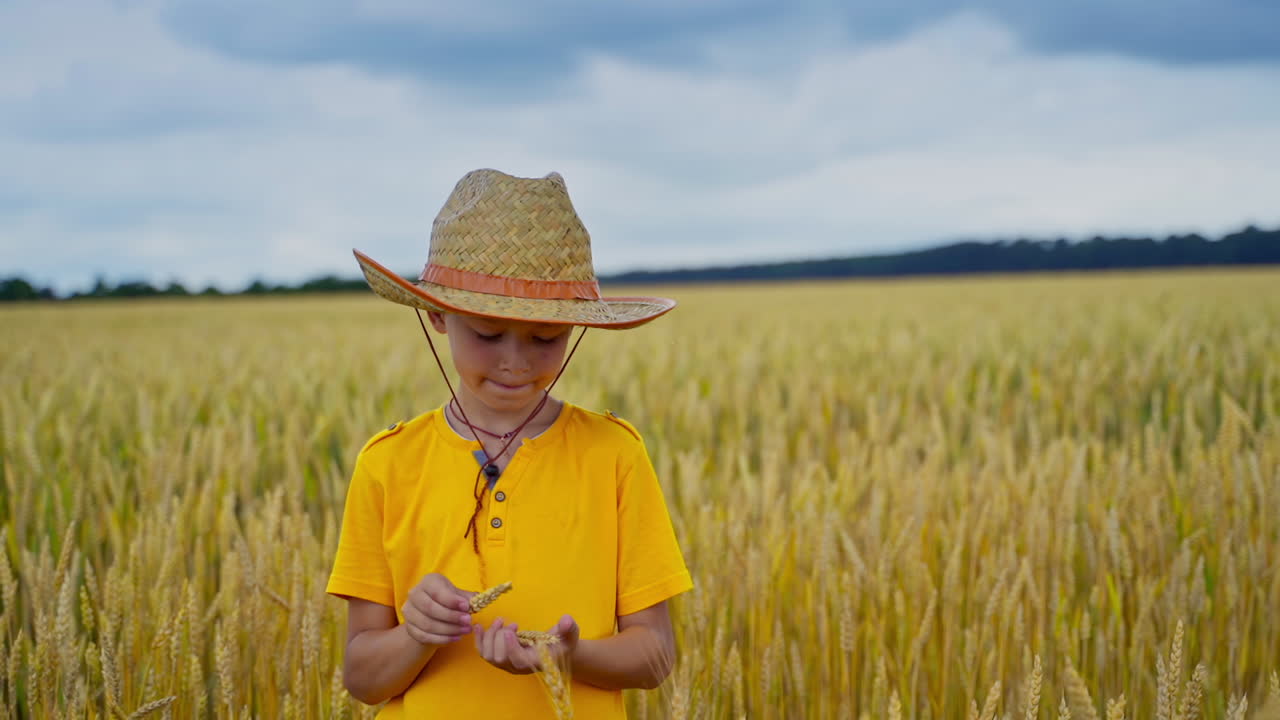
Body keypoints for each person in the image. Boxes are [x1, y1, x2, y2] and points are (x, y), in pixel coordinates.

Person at [326, 168, 693, 718]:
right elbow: (362, 677)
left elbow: (657, 654)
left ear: (575, 330)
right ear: (437, 316)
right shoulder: (388, 463)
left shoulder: (613, 454)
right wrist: (417, 634)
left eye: (545, 338)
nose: (515, 362)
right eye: (489, 334)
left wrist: (569, 656)